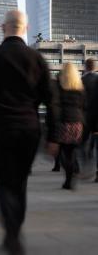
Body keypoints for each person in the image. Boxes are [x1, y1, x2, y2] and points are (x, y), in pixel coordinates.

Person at [0, 10, 56, 255]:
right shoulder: (36, 58)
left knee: (2, 184)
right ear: (26, 27)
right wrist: (53, 137)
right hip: (28, 130)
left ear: (3, 27)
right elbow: (52, 101)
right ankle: (14, 231)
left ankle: (11, 233)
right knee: (19, 183)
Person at [54, 62, 85, 190]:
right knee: (72, 151)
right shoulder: (80, 87)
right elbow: (84, 105)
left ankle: (69, 178)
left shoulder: (59, 86)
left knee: (63, 152)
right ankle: (74, 171)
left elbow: (55, 104)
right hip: (77, 122)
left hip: (64, 122)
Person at [81, 58, 98, 182]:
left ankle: (85, 164)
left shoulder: (81, 81)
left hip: (84, 117)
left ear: (86, 67)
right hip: (97, 117)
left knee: (81, 143)